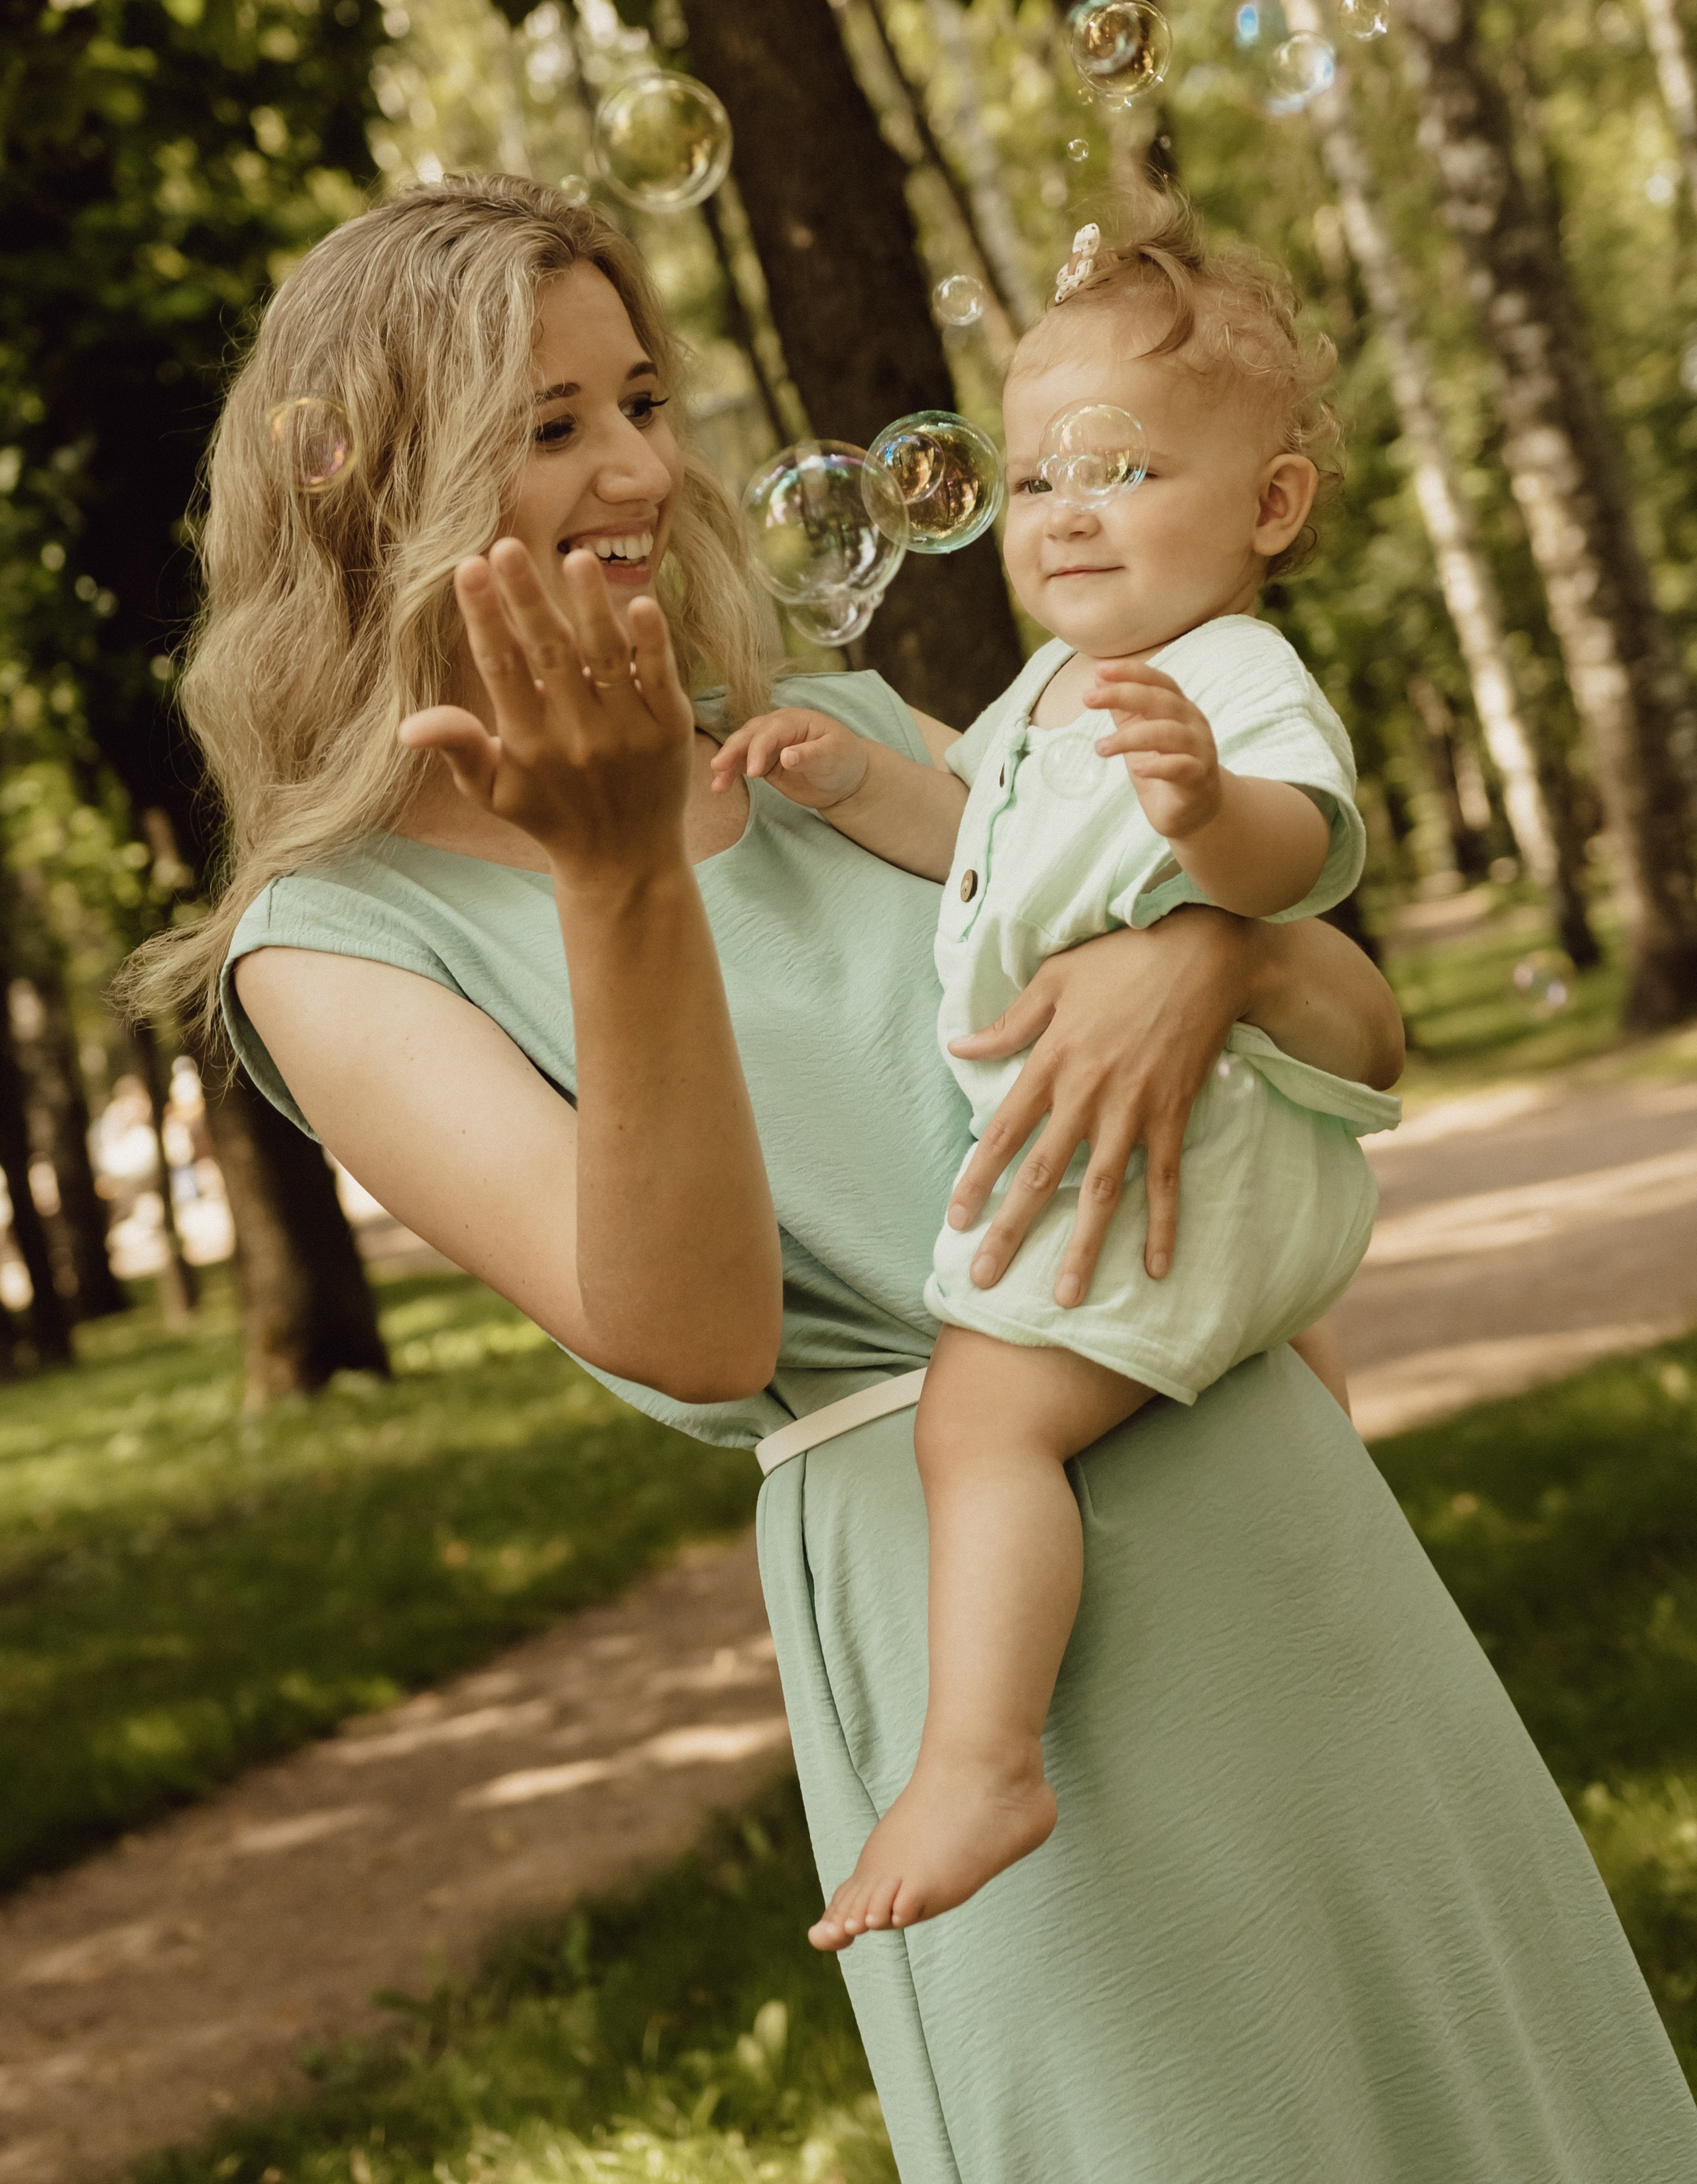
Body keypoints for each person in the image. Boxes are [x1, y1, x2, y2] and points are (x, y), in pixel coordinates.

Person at [129, 174, 1697, 2182]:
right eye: (546, 427)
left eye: (637, 397)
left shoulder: (830, 737)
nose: (630, 467)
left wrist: (1195, 948)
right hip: (982, 1653)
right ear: (382, 492)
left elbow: (1354, 1029)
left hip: (1278, 1510)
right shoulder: (335, 942)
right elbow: (696, 1335)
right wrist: (617, 881)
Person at [711, 200, 1401, 1947]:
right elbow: (983, 844)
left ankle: (984, 1758)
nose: (1068, 512)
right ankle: (1310, 1444)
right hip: (1178, 1143)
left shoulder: (1226, 678)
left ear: (1270, 511)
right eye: (1034, 483)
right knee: (1204, 1412)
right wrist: (855, 786)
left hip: (1184, 1135)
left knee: (985, 1418)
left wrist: (1202, 814)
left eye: (1125, 473)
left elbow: (1304, 849)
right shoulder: (1042, 696)